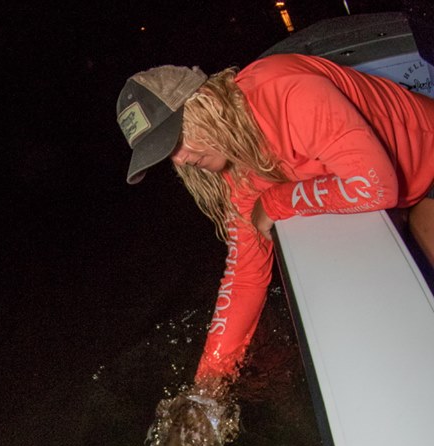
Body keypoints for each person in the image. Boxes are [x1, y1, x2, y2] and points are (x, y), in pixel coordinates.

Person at [116, 54, 434, 381]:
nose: (181, 160)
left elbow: (375, 186)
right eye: (168, 154)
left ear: (205, 103)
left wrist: (277, 201)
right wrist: (207, 386)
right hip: (401, 192)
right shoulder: (237, 164)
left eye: (177, 140)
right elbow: (245, 275)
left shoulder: (287, 93)